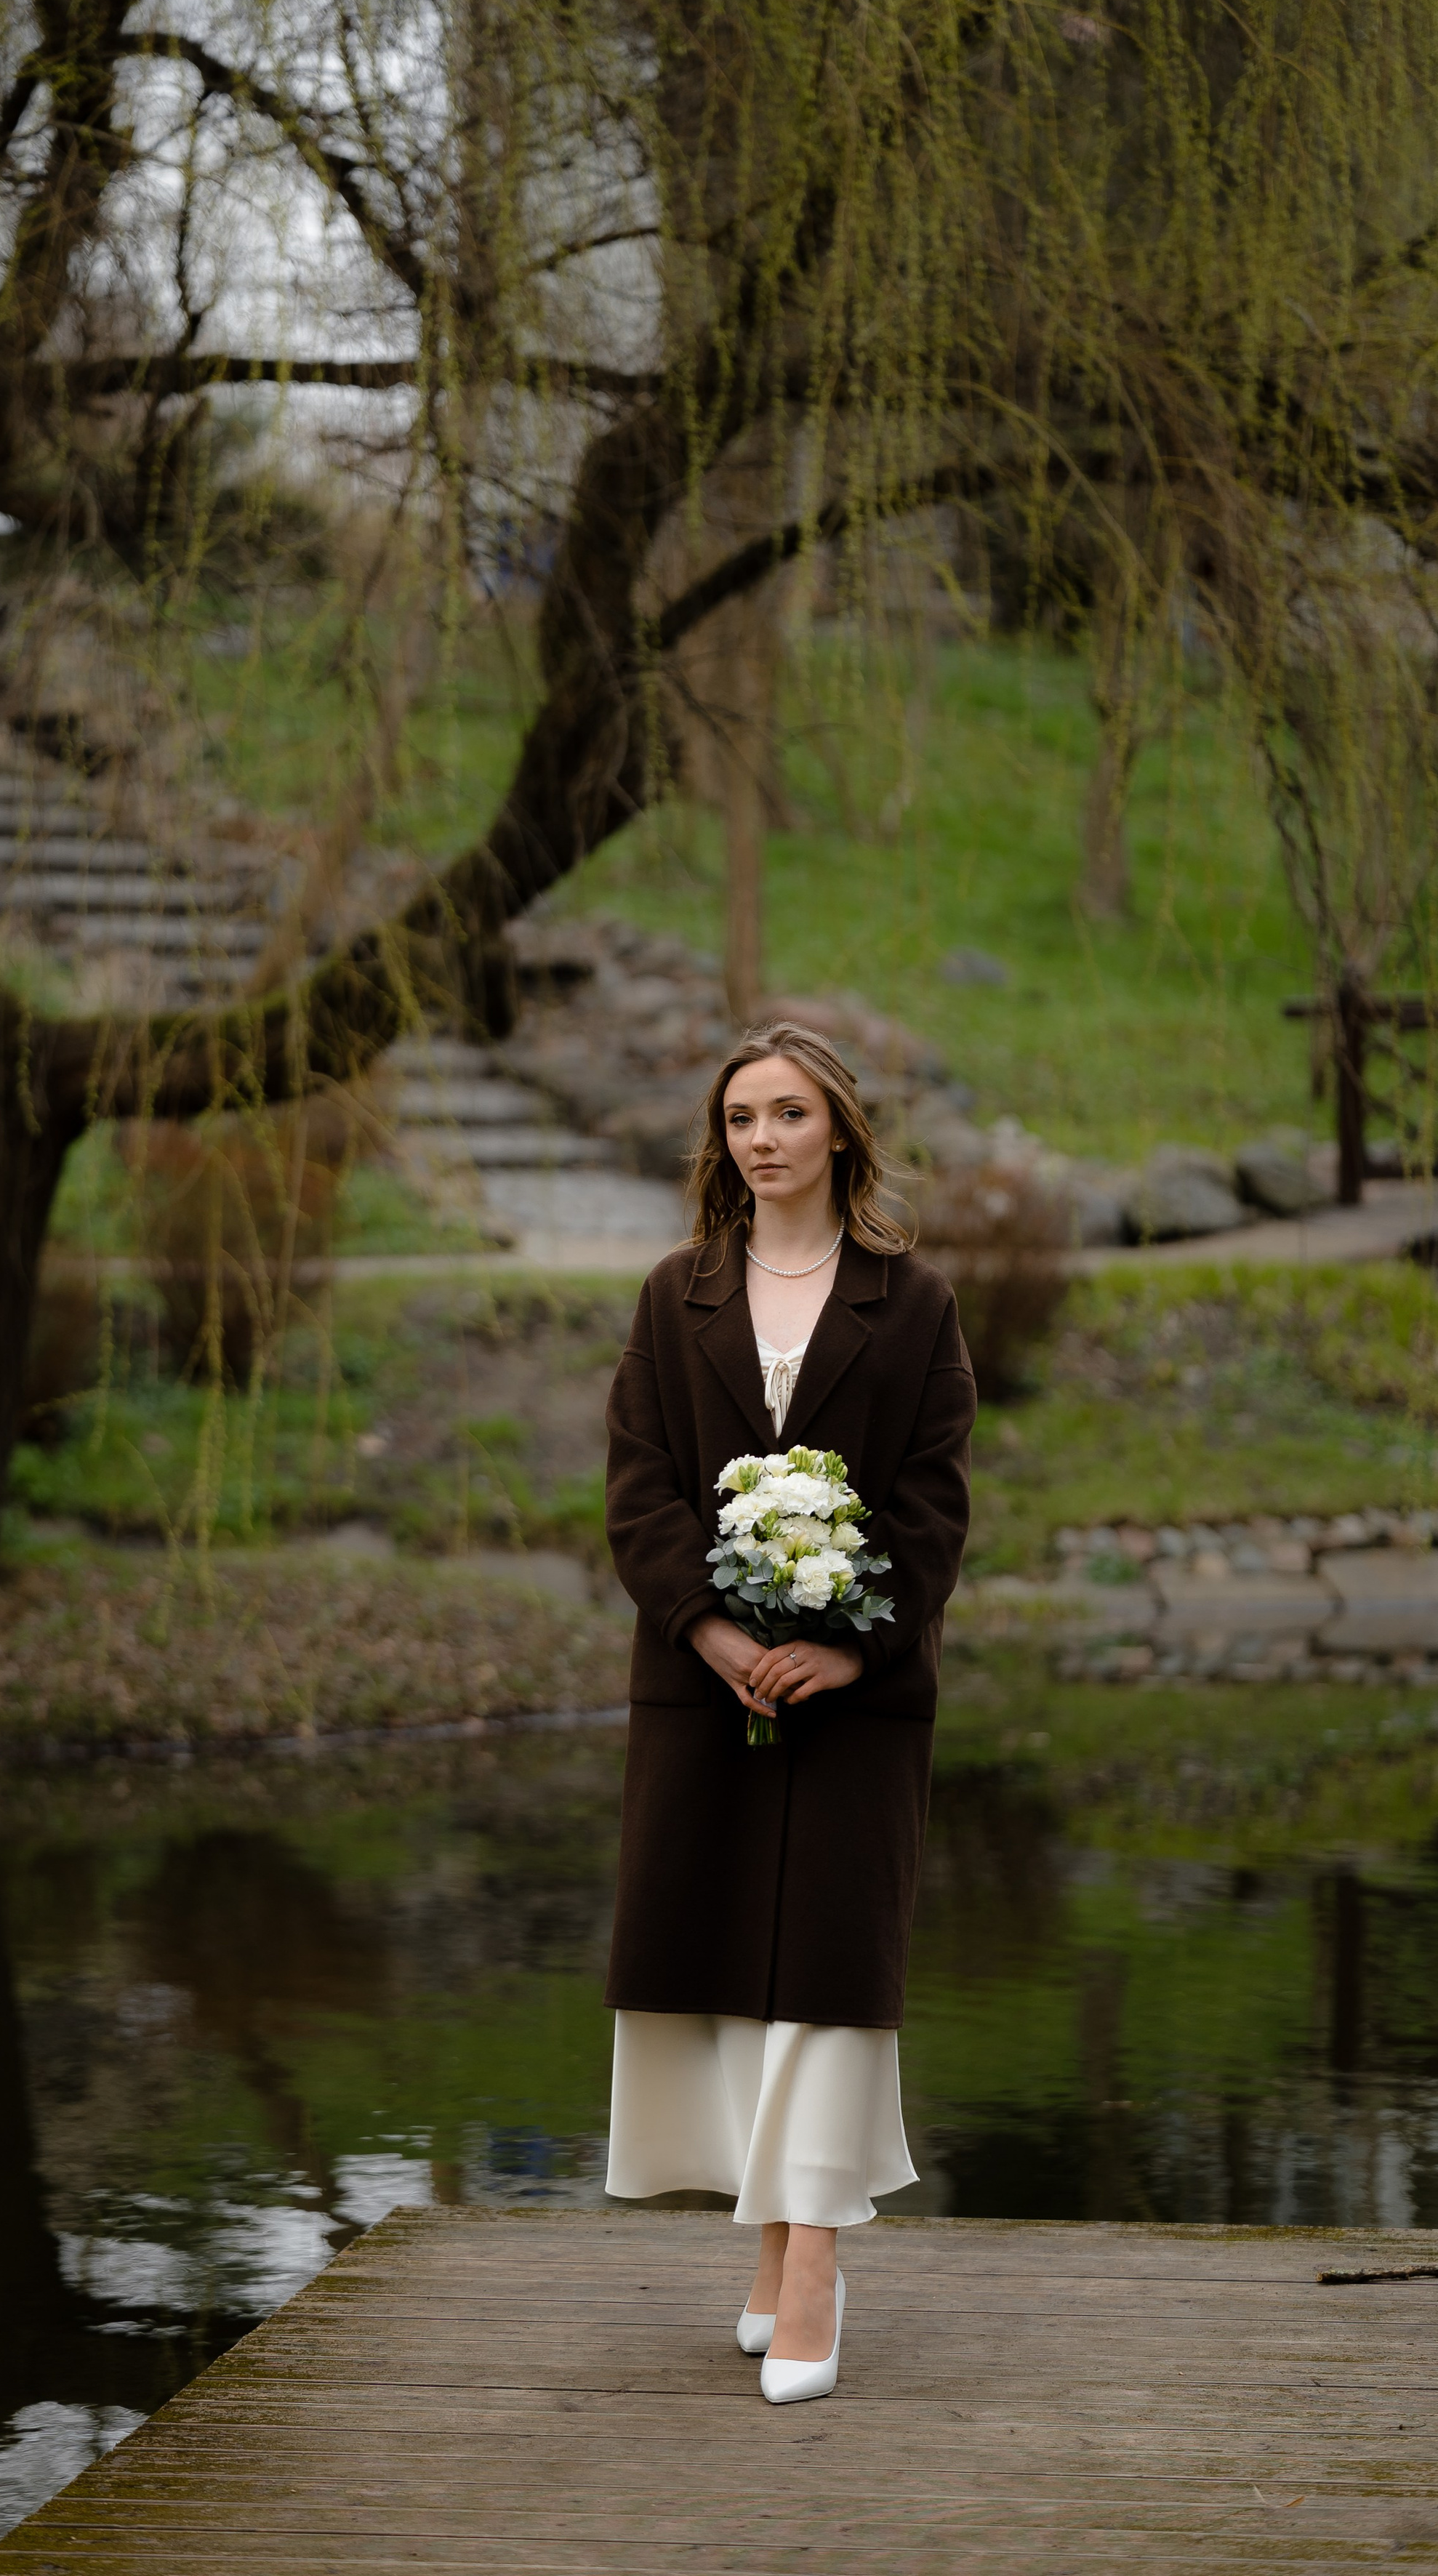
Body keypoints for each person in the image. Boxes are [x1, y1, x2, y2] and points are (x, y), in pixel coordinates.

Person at [601, 1015, 976, 2403]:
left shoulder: (914, 1301)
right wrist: (707, 1629)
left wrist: (851, 1654)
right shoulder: (671, 1295)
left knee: (827, 1978)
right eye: (743, 1117)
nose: (763, 1139)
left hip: (857, 1707)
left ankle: (813, 2264)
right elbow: (638, 1487)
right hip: (699, 1696)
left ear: (841, 1131)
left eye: (789, 1115)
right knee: (722, 1984)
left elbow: (934, 1504)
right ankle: (768, 2247)